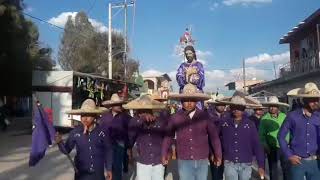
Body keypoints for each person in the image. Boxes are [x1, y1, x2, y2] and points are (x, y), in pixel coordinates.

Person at [162, 84, 222, 180]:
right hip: (184, 160)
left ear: (196, 101)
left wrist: (218, 154)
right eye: (186, 100)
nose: (189, 103)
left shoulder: (205, 116)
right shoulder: (175, 118)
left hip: (202, 160)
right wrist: (164, 152)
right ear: (181, 101)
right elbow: (168, 136)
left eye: (192, 100)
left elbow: (214, 137)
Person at [55, 99, 112, 180]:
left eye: (88, 115)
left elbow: (108, 150)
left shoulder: (102, 132)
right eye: (83, 115)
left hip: (98, 174)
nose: (85, 118)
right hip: (81, 174)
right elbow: (66, 150)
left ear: (95, 116)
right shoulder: (75, 132)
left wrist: (109, 168)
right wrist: (60, 143)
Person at [217, 92, 265, 180]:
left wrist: (261, 165)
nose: (236, 110)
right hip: (229, 162)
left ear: (243, 109)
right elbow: (216, 138)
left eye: (239, 108)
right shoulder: (224, 122)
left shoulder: (250, 124)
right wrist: (217, 154)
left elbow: (256, 144)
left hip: (246, 163)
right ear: (230, 108)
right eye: (234, 107)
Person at [278, 82, 320, 180]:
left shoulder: (318, 117)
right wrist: (289, 155)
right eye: (312, 100)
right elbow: (281, 136)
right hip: (298, 161)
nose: (316, 103)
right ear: (304, 100)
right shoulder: (292, 116)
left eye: (317, 100)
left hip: (315, 162)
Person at [124, 94, 167, 180]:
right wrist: (141, 121)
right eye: (141, 110)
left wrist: (166, 153)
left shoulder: (159, 120)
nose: (144, 113)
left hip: (158, 162)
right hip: (143, 162)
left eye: (146, 110)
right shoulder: (134, 121)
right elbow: (130, 140)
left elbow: (166, 138)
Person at [100, 93, 131, 180]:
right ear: (112, 106)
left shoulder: (126, 117)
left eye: (120, 104)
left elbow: (132, 130)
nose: (119, 106)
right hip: (106, 144)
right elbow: (100, 130)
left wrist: (129, 146)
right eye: (116, 104)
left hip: (120, 144)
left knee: (117, 167)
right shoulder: (105, 117)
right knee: (108, 166)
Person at [260, 96, 290, 180]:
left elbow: (289, 130)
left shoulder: (284, 116)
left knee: (286, 168)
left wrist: (290, 143)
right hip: (272, 148)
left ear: (278, 107)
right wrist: (265, 146)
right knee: (274, 170)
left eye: (274, 106)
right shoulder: (264, 119)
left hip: (284, 147)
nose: (272, 108)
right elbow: (261, 135)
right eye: (270, 106)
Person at [207, 93, 227, 180]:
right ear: (216, 105)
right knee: (215, 171)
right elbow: (208, 136)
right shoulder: (209, 115)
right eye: (220, 104)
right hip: (213, 148)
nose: (222, 106)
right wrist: (211, 152)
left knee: (222, 170)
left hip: (224, 148)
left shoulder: (228, 116)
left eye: (223, 104)